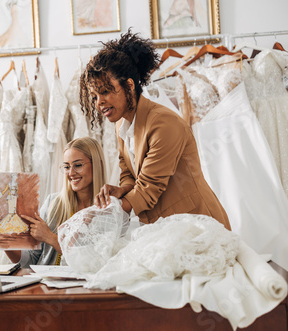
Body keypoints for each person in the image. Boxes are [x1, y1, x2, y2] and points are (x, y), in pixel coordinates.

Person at [79, 29, 231, 230]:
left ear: (129, 85)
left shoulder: (164, 124)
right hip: (165, 227)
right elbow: (127, 171)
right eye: (95, 96)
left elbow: (147, 190)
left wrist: (101, 216)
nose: (99, 103)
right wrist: (121, 189)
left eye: (105, 91)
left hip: (197, 224)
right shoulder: (121, 124)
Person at [0, 136, 107, 267]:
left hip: (84, 286)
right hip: (45, 285)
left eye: (78, 165)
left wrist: (50, 237)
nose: (71, 173)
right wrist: (2, 238)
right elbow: (31, 261)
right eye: (66, 167)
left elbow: (97, 263)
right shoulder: (52, 203)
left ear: (97, 164)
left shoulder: (108, 210)